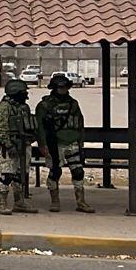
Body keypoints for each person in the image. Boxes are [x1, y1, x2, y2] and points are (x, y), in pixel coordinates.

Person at [35, 73, 92, 213]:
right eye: (60, 87)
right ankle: (55, 201)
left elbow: (80, 123)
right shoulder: (45, 105)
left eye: (65, 87)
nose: (63, 90)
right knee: (55, 171)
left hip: (72, 142)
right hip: (54, 143)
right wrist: (42, 144)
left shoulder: (73, 104)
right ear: (54, 88)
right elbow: (40, 127)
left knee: (78, 171)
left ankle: (81, 202)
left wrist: (81, 141)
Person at [0, 79, 38, 215]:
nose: (26, 96)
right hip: (11, 147)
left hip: (24, 145)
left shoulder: (23, 107)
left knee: (20, 175)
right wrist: (8, 145)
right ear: (15, 92)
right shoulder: (3, 107)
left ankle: (19, 202)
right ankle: (2, 204)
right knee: (7, 175)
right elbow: (0, 129)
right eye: (24, 93)